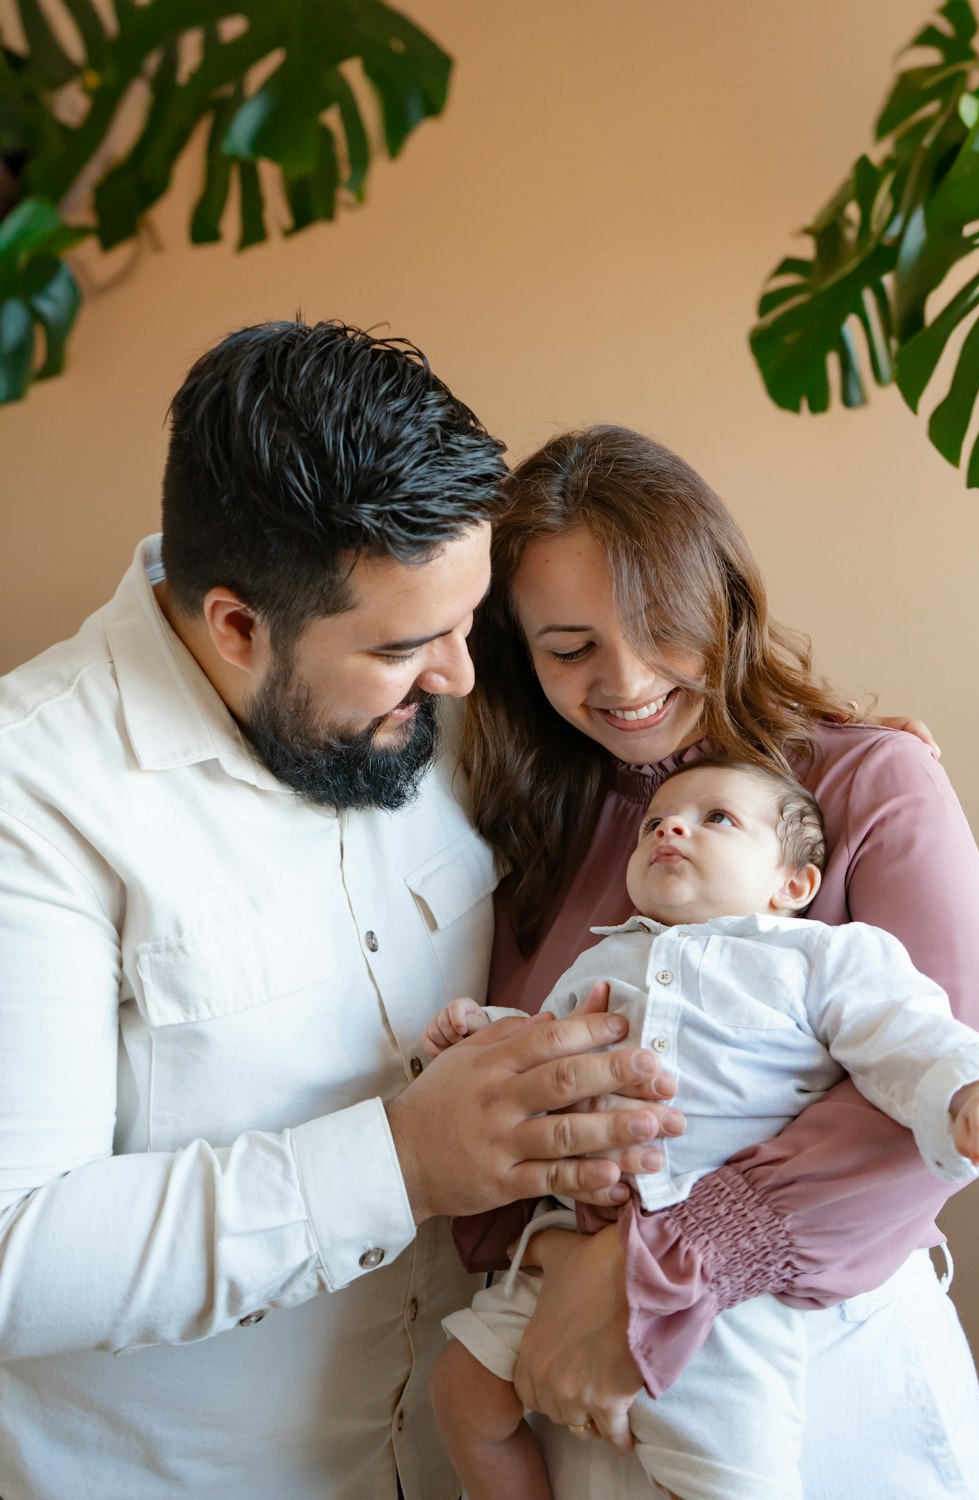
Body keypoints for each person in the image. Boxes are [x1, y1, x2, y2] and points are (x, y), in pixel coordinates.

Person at [0, 329, 682, 1500]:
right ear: (235, 628)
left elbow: (656, 739)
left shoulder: (441, 681)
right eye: (408, 647)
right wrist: (400, 1162)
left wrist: (859, 775)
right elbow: (14, 1255)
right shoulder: (33, 792)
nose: (464, 678)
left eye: (469, 624)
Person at [454, 425, 979, 1499]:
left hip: (825, 1406)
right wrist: (561, 1271)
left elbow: (951, 1096)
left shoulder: (867, 782)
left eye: (662, 626)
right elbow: (499, 1128)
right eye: (569, 649)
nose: (627, 682)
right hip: (573, 1401)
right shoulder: (536, 836)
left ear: (724, 598)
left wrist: (656, 1271)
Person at [426, 758, 979, 1500]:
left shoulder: (817, 957)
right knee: (461, 1393)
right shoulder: (602, 959)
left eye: (716, 819)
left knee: (725, 1477)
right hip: (576, 1246)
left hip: (728, 1298)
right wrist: (481, 1034)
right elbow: (543, 1048)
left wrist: (967, 1084)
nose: (670, 827)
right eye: (654, 823)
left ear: (792, 884)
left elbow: (904, 1029)